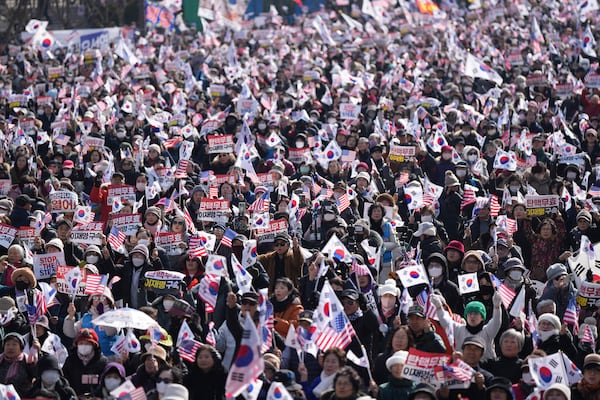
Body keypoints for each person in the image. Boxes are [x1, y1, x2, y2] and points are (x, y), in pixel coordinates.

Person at [62, 328, 108, 396]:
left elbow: (105, 384)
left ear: (94, 345)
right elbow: (64, 380)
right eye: (81, 343)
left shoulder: (102, 362)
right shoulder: (71, 360)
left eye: (87, 343)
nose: (84, 346)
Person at [0, 332, 37, 396]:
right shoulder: (1, 360)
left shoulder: (28, 361)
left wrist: (37, 351)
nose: (10, 347)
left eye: (14, 344)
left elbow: (36, 375)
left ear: (21, 347)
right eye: (7, 344)